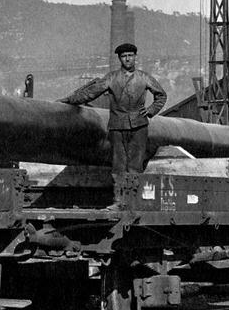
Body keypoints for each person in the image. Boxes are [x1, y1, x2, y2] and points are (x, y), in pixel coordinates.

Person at [61, 42, 167, 208]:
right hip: (117, 126)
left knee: (135, 165)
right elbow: (90, 93)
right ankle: (118, 201)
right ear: (119, 59)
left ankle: (133, 202)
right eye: (124, 57)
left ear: (135, 57)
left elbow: (161, 96)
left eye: (130, 56)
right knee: (118, 165)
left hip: (139, 126)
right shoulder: (111, 78)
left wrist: (151, 110)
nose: (127, 59)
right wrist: (69, 100)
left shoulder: (144, 77)